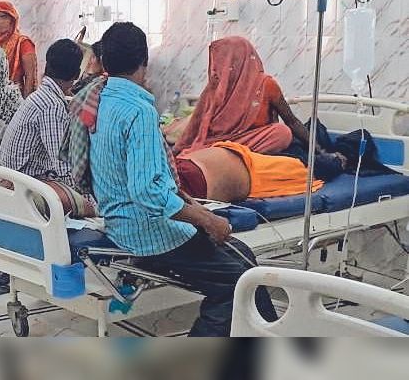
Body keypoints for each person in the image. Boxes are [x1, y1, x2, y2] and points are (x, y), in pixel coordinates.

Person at [62, 22, 276, 336]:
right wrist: (207, 220)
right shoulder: (138, 111)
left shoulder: (98, 99)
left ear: (104, 61)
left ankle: (270, 338)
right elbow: (148, 192)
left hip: (120, 222)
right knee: (237, 284)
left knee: (245, 259)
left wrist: (193, 207)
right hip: (148, 232)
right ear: (144, 62)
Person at [0, 38, 95, 297]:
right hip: (17, 188)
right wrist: (90, 196)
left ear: (47, 65)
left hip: (12, 180)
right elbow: (63, 165)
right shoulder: (51, 107)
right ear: (76, 75)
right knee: (92, 202)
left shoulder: (41, 97)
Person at [173, 36, 318, 157]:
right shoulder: (215, 87)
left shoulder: (265, 84)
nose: (216, 69)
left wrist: (320, 151)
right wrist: (175, 151)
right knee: (208, 151)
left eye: (222, 62)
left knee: (281, 132)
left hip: (249, 142)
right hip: (217, 145)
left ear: (236, 61)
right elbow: (196, 125)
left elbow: (292, 122)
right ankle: (226, 157)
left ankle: (231, 157)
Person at [176, 141, 325, 202]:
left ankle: (330, 157)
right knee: (298, 166)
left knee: (301, 165)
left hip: (240, 161)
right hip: (243, 167)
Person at [0, 0, 37, 98]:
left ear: (12, 18)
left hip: (17, 97)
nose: (0, 22)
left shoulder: (23, 42)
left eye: (3, 17)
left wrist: (25, 103)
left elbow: (30, 77)